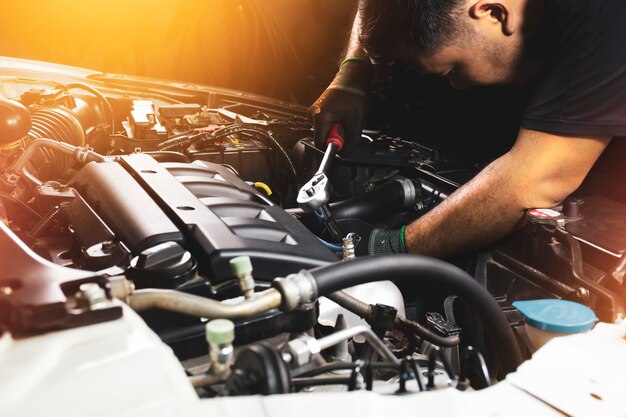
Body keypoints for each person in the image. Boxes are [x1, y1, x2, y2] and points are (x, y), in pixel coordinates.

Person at [308, 0, 626, 258]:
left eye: (453, 69)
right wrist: (354, 73)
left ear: (493, 11)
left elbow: (535, 178)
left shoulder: (604, 21)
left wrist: (388, 247)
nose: (456, 86)